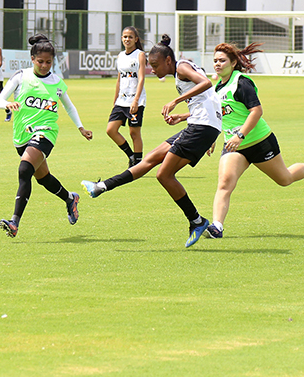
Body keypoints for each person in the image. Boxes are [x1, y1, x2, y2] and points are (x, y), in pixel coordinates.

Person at [82, 35, 221, 248]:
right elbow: (207, 100)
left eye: (155, 65)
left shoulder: (182, 68)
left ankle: (197, 221)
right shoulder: (183, 69)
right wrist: (184, 117)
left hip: (201, 128)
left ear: (168, 61)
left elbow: (206, 83)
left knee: (164, 174)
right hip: (200, 125)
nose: (152, 70)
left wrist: (176, 101)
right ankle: (101, 186)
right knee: (149, 159)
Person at [206, 43, 304, 239]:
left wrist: (240, 135)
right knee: (224, 183)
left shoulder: (241, 82)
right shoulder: (216, 89)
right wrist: (212, 138)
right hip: (234, 147)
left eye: (222, 60)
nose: (217, 64)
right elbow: (219, 117)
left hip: (259, 140)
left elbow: (257, 111)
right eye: (215, 61)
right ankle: (217, 227)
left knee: (285, 179)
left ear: (233, 62)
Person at [0, 34, 93, 238]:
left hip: (46, 132)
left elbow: (69, 107)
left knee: (24, 170)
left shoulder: (57, 82)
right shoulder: (21, 76)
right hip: (22, 135)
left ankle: (15, 222)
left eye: (48, 62)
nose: (44, 65)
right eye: (40, 61)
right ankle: (69, 198)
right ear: (32, 59)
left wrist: (81, 128)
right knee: (43, 178)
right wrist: (8, 104)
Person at [107, 27, 146, 167]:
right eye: (124, 37)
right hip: (121, 101)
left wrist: (135, 100)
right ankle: (131, 155)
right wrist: (115, 100)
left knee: (134, 133)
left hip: (136, 100)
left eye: (130, 37)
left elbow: (141, 79)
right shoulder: (120, 56)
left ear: (136, 39)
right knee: (110, 130)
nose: (127, 39)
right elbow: (119, 80)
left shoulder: (140, 55)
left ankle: (138, 163)